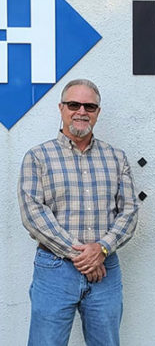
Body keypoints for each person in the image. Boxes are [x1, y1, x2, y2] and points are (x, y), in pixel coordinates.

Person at [18, 79, 139, 346]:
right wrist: (83, 256)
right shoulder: (37, 157)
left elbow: (129, 211)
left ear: (98, 112)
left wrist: (102, 249)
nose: (81, 111)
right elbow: (33, 215)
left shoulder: (116, 158)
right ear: (61, 108)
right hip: (55, 269)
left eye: (89, 106)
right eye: (74, 104)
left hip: (105, 271)